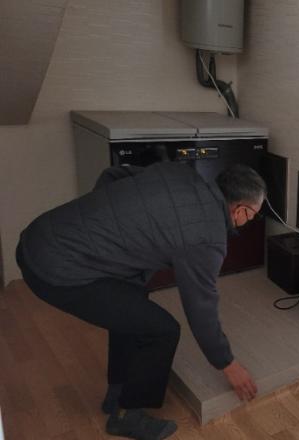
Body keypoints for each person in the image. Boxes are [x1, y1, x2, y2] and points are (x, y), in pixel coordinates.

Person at [16, 162, 265, 440]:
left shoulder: (179, 172)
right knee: (162, 330)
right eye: (253, 214)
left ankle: (118, 390)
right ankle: (128, 417)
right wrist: (228, 364)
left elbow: (113, 174)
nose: (251, 220)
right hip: (55, 270)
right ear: (240, 210)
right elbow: (201, 308)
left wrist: (106, 226)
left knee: (133, 302)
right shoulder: (207, 238)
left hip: (38, 235)